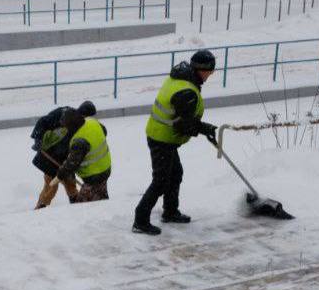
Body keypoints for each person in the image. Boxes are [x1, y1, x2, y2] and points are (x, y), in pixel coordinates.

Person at [132, 50, 218, 235]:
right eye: (210, 71)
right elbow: (183, 125)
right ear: (201, 69)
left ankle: (170, 211)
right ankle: (140, 220)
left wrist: (203, 129)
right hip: (162, 139)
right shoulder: (186, 92)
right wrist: (205, 129)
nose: (211, 74)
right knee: (161, 181)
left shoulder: (181, 79)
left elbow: (182, 120)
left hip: (163, 136)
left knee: (175, 173)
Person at [31, 101, 97, 209]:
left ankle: (76, 207)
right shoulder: (64, 113)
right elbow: (43, 121)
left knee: (71, 185)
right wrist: (37, 138)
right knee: (51, 186)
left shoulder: (84, 126)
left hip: (66, 161)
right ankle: (40, 208)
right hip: (50, 157)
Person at [54, 107, 111, 203]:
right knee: (100, 196)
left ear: (71, 125)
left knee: (82, 206)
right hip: (105, 167)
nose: (66, 129)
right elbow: (104, 131)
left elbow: (72, 164)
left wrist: (60, 174)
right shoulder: (91, 121)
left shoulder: (79, 140)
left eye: (66, 127)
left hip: (94, 176)